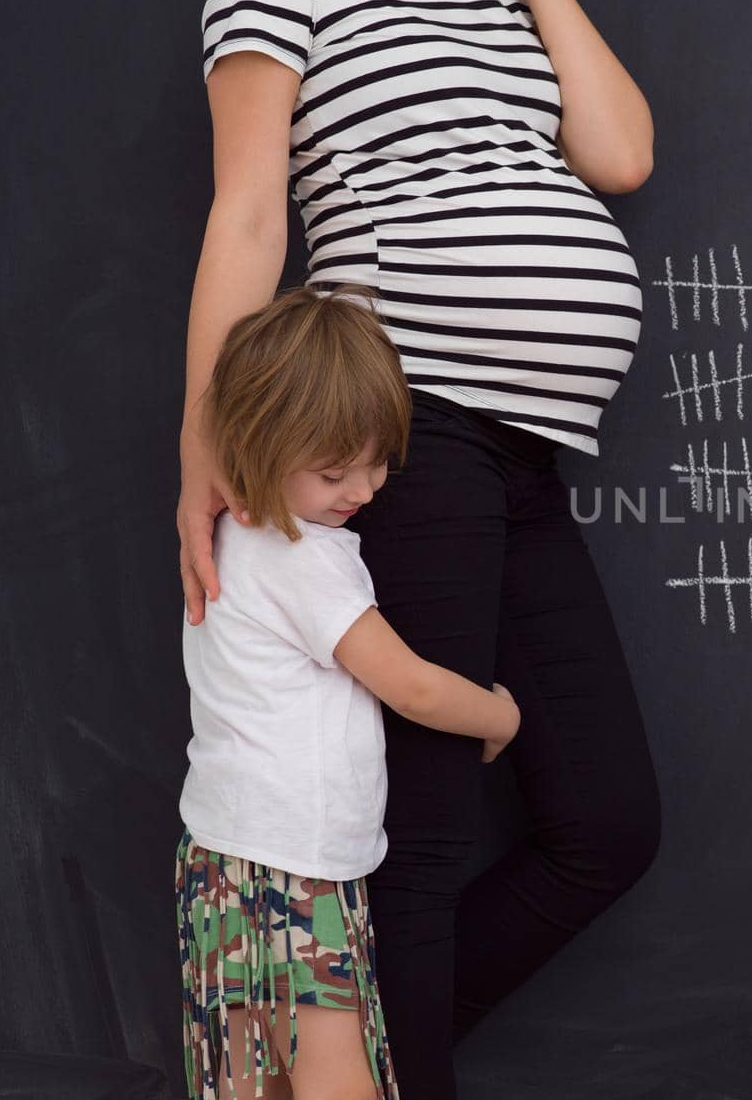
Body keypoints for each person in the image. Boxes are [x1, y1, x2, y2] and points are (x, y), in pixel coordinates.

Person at [176, 0, 662, 1093]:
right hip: (406, 428)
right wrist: (209, 437)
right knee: (424, 849)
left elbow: (619, 156)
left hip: (528, 450)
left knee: (604, 828)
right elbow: (248, 209)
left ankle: (358, 1060)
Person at [177, 287, 521, 1100]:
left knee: (249, 1078)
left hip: (220, 857)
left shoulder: (235, 531)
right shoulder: (309, 558)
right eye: (335, 470)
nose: (363, 488)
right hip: (297, 866)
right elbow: (411, 687)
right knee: (336, 1080)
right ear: (254, 443)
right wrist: (498, 714)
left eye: (378, 462)